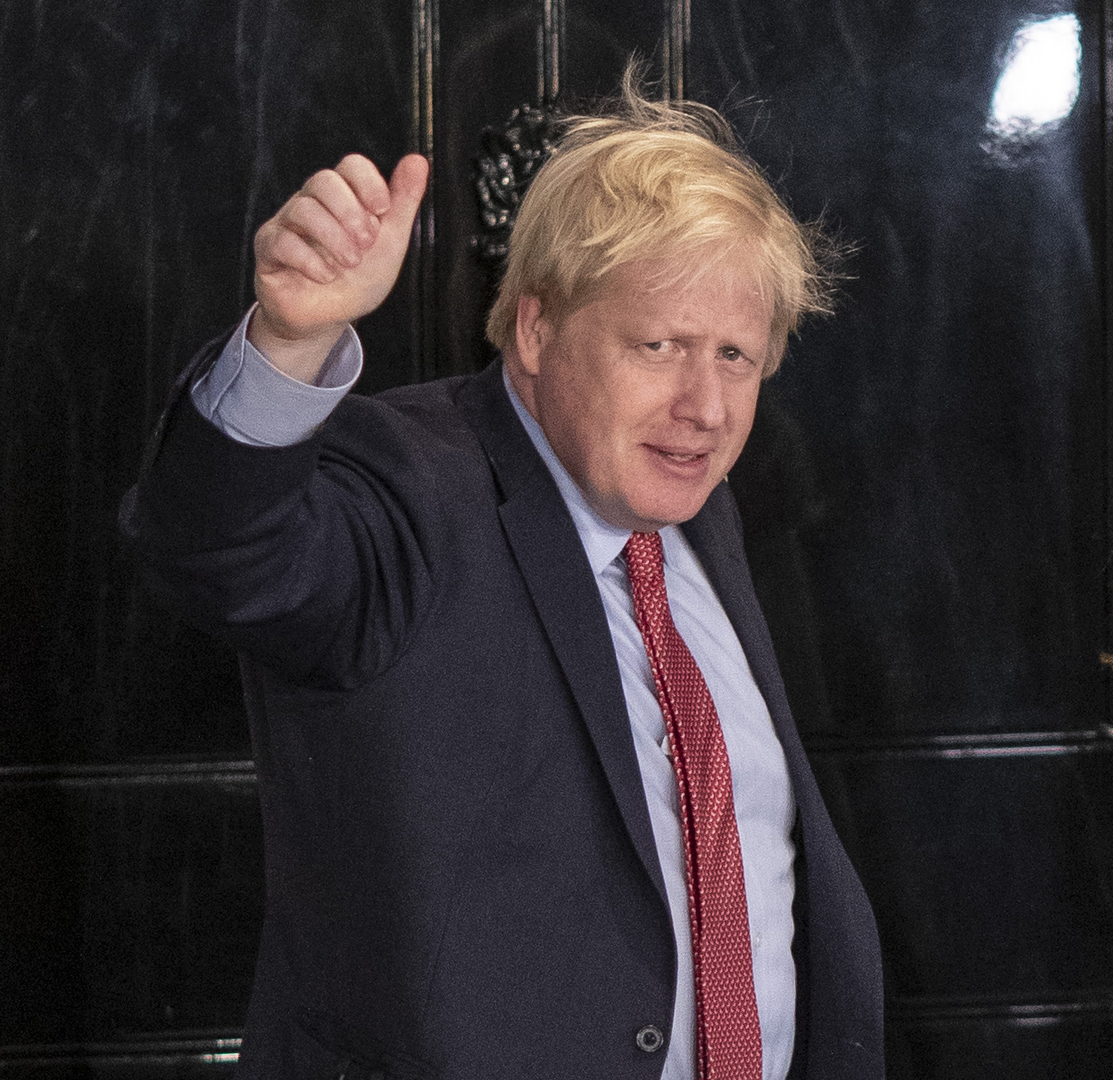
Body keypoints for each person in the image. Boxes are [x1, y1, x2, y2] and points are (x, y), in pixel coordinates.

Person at [121, 84, 884, 1080]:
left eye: (735, 356)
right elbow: (215, 550)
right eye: (658, 346)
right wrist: (289, 343)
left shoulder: (697, 510)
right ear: (535, 331)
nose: (703, 406)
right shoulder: (409, 485)